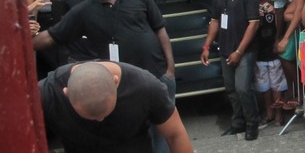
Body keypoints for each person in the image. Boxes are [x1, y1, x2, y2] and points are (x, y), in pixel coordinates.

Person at [32, 0, 177, 151]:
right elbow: (51, 37)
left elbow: (160, 29)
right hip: (123, 85)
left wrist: (170, 69)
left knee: (164, 136)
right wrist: (19, 41)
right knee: (134, 137)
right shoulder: (83, 11)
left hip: (158, 74)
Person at [39, 61, 192, 153]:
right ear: (66, 93)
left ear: (115, 81)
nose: (100, 120)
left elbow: (175, 134)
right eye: (91, 117)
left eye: (105, 113)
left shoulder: (146, 87)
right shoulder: (46, 94)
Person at [200, 0, 260, 140]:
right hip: (225, 47)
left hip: (244, 50)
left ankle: (252, 125)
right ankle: (238, 123)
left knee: (243, 88)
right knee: (231, 89)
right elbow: (215, 20)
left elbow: (254, 23)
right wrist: (207, 46)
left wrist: (239, 51)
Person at [252, 0, 286, 128]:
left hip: (273, 52)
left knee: (277, 85)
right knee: (263, 86)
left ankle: (279, 113)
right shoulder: (251, 5)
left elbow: (280, 28)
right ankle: (269, 112)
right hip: (259, 53)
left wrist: (273, 12)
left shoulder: (276, 4)